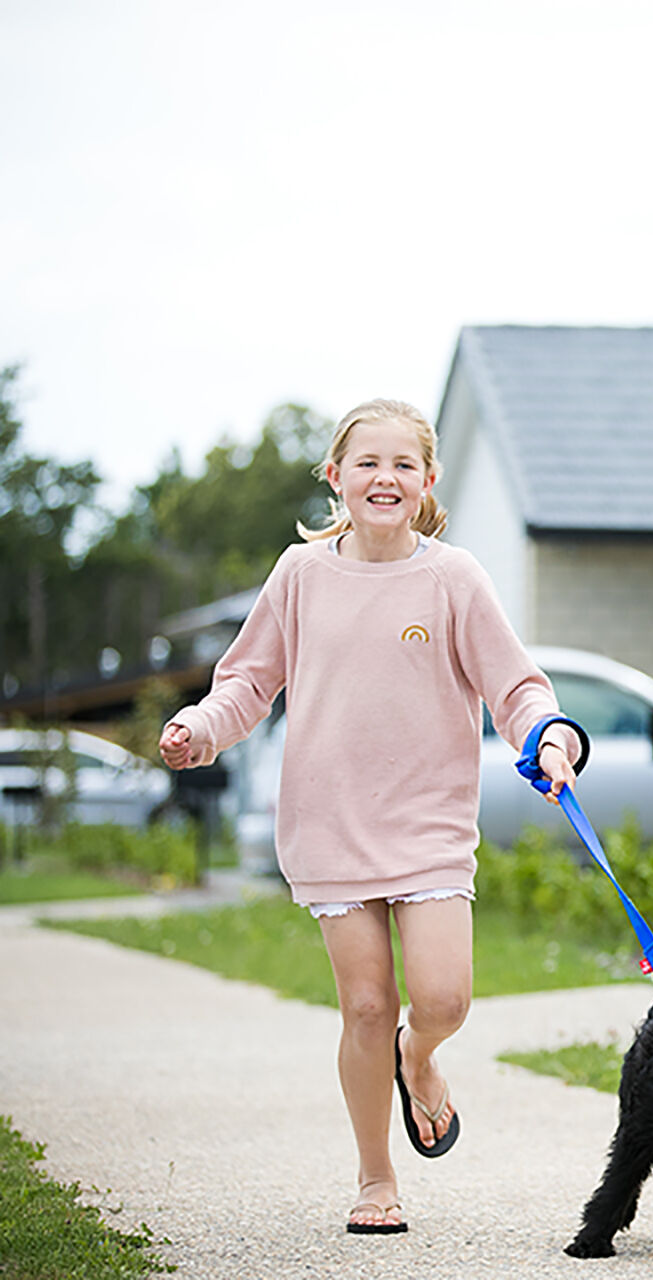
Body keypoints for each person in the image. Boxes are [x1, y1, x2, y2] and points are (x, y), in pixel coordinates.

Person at [157, 398, 583, 1236]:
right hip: (329, 824)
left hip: (427, 826)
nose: (383, 478)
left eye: (401, 466)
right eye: (366, 464)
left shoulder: (453, 577)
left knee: (444, 999)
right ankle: (376, 1178)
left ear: (427, 481)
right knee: (363, 1007)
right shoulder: (300, 574)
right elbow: (248, 681)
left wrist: (550, 734)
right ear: (335, 477)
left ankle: (416, 1056)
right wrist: (202, 727)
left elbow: (515, 686)